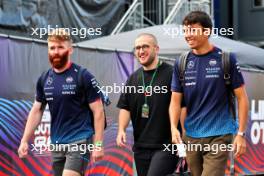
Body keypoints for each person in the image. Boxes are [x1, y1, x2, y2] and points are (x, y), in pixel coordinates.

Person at [169, 11, 249, 176]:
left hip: (220, 135)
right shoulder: (181, 62)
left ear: (207, 32)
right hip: (191, 136)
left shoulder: (227, 59)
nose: (187, 35)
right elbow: (175, 101)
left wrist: (241, 134)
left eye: (192, 30)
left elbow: (242, 98)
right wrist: (173, 127)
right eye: (185, 30)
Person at [18, 29, 105, 176]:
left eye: (60, 47)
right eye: (52, 48)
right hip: (57, 142)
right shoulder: (44, 78)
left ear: (70, 49)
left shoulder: (83, 75)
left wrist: (98, 144)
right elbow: (37, 110)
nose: (56, 52)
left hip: (80, 140)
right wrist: (24, 140)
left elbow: (98, 111)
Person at [116, 33, 181, 176]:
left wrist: (184, 142)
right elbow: (125, 107)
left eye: (145, 46)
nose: (141, 51)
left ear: (156, 49)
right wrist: (121, 129)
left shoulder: (171, 74)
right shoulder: (133, 78)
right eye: (137, 48)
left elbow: (182, 107)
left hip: (166, 145)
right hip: (141, 146)